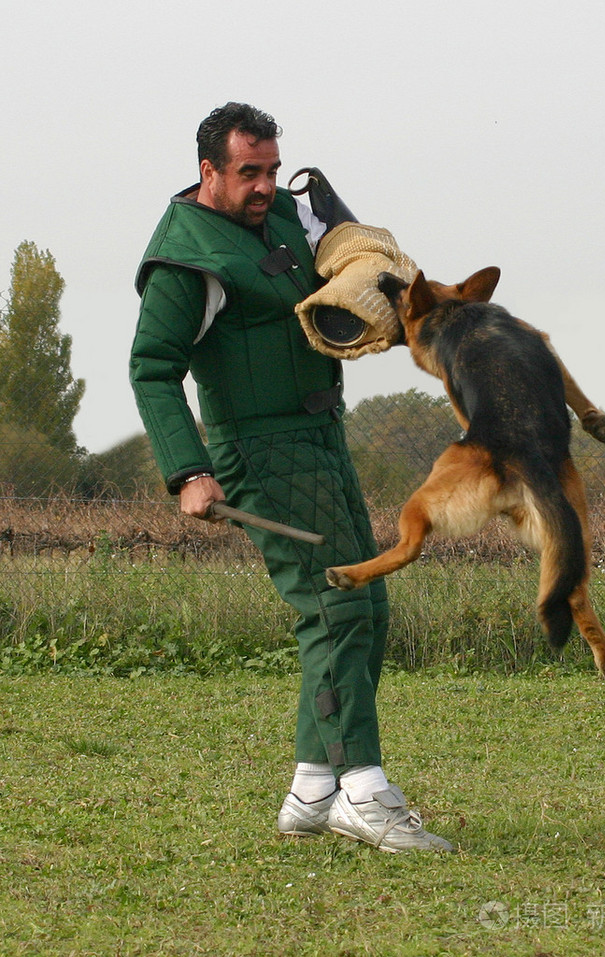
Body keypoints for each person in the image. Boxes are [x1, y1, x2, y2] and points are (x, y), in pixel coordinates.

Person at [129, 102, 453, 853]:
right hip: (259, 449)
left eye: (272, 169)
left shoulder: (279, 218)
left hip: (320, 436)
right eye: (250, 172)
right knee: (337, 607)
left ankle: (312, 790)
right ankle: (363, 790)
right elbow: (151, 368)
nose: (265, 186)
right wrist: (187, 470)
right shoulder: (186, 259)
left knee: (364, 602)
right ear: (209, 171)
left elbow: (346, 244)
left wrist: (372, 269)